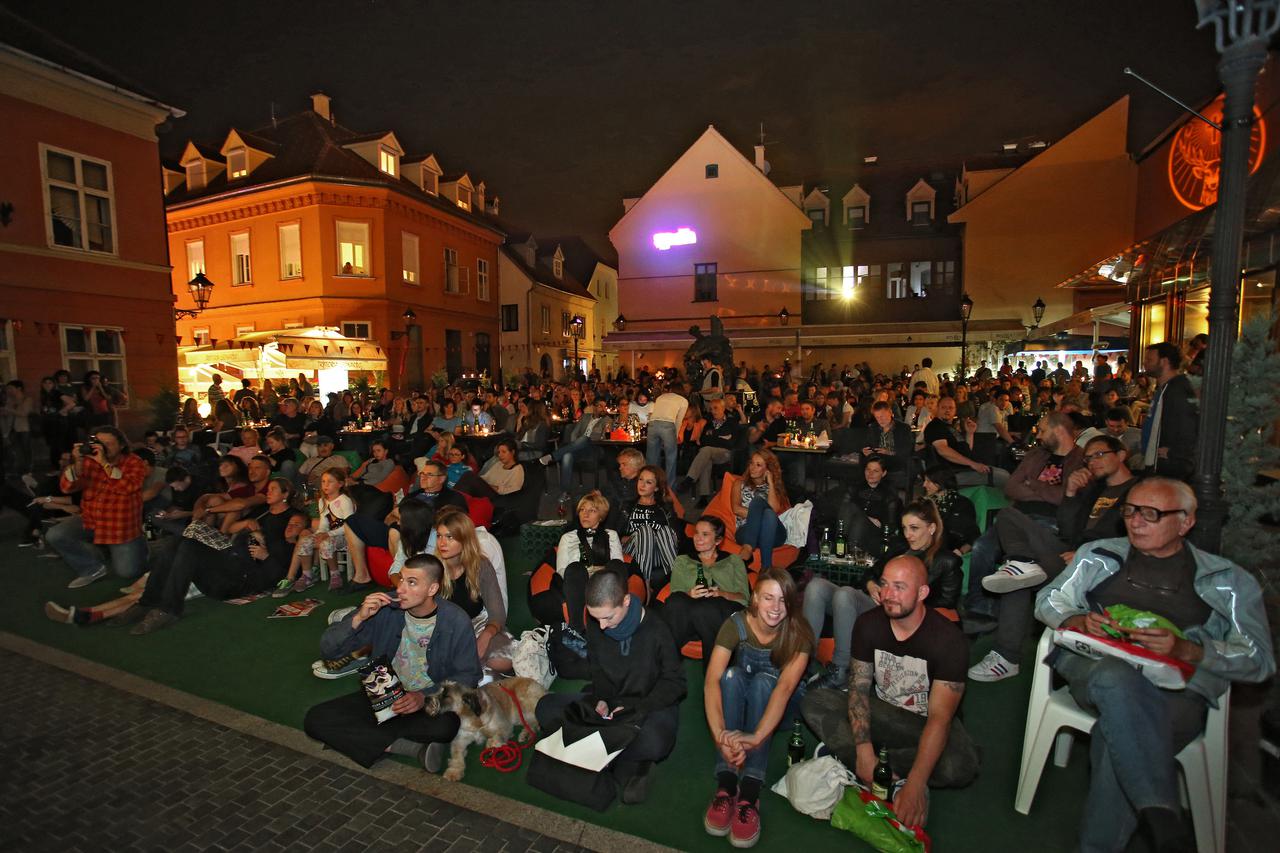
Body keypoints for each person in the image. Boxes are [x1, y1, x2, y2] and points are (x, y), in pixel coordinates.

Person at [1034, 477, 1275, 851]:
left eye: (1151, 514)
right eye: (1130, 511)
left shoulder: (1226, 581)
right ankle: (1164, 820)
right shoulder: (1099, 555)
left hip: (1176, 690)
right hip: (1095, 668)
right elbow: (1049, 600)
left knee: (1113, 733)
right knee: (1116, 677)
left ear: (1185, 522)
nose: (1135, 522)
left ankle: (1149, 824)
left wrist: (1190, 650)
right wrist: (1076, 620)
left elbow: (1258, 660)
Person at [803, 556, 980, 829]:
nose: (887, 595)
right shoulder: (868, 624)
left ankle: (873, 763)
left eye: (899, 587)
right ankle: (874, 762)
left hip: (924, 723)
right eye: (885, 585)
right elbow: (859, 690)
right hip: (883, 714)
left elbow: (940, 719)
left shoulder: (949, 641)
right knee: (814, 702)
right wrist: (863, 750)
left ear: (922, 593)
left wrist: (917, 783)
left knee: (962, 764)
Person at [968, 434, 1138, 682]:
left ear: (1121, 455)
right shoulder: (1093, 491)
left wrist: (1085, 552)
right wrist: (1070, 493)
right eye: (1088, 458)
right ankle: (1020, 561)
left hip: (1099, 563)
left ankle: (1006, 656)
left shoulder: (1139, 491)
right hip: (1067, 551)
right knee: (1008, 517)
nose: (1092, 462)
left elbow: (1132, 538)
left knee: (1018, 579)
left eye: (1099, 454)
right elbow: (1068, 529)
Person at [303, 555, 483, 771]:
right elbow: (329, 650)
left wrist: (423, 696)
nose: (401, 589)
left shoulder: (456, 620)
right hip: (384, 695)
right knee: (315, 719)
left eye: (412, 582)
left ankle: (358, 736)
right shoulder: (384, 608)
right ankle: (407, 748)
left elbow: (468, 677)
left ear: (432, 589)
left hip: (427, 701)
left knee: (446, 726)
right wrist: (359, 618)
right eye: (401, 580)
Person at [535, 567, 687, 804]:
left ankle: (597, 753)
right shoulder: (597, 623)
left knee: (657, 741)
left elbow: (675, 683)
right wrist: (602, 700)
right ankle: (624, 765)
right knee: (544, 707)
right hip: (611, 707)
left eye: (608, 617)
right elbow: (598, 669)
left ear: (625, 601)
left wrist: (641, 708)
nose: (602, 626)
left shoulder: (657, 628)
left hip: (648, 706)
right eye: (596, 618)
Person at [703, 568, 814, 848]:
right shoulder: (736, 624)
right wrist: (720, 736)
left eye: (783, 600)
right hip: (742, 700)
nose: (775, 608)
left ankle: (750, 791)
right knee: (731, 676)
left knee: (765, 682)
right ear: (755, 598)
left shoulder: (800, 634)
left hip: (782, 707)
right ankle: (727, 783)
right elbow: (711, 681)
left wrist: (755, 738)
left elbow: (784, 690)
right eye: (768, 598)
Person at [120, 477, 309, 635]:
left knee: (189, 546)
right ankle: (148, 601)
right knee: (177, 542)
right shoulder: (264, 512)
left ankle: (169, 609)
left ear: (285, 495)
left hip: (241, 579)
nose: (268, 491)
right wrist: (249, 528)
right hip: (230, 561)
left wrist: (265, 555)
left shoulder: (293, 519)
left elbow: (285, 570)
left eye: (274, 489)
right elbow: (232, 528)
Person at [965, 411, 1084, 628]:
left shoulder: (1080, 459)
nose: (1038, 435)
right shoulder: (1036, 455)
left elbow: (1065, 497)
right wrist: (1048, 490)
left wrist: (1033, 484)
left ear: (1058, 430)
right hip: (1017, 516)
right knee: (981, 546)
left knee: (1019, 558)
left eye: (1043, 430)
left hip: (1052, 522)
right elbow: (1011, 487)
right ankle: (979, 609)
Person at [46, 426, 148, 589]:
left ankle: (140, 545)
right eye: (100, 443)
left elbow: (128, 487)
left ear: (121, 445)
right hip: (92, 520)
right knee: (55, 535)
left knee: (127, 572)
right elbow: (67, 487)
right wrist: (78, 461)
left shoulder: (134, 462)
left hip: (121, 529)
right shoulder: (88, 461)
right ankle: (92, 568)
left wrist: (104, 463)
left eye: (109, 443)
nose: (104, 448)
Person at [433, 507, 512, 672]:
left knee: (502, 661)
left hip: (478, 623)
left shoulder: (481, 565)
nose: (442, 543)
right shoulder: (432, 568)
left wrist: (485, 636)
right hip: (443, 631)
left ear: (465, 540)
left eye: (449, 537)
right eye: (439, 536)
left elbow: (497, 613)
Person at [661, 516, 750, 656]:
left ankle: (713, 673)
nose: (697, 538)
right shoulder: (683, 561)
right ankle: (667, 662)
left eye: (705, 534)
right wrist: (689, 594)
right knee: (675, 602)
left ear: (718, 540)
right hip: (690, 616)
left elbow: (744, 598)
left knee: (704, 609)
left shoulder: (734, 561)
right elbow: (675, 592)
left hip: (723, 613)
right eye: (696, 532)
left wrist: (721, 593)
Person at [539, 491, 626, 630]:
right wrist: (587, 574)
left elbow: (618, 564)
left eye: (592, 510)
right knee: (574, 568)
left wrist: (597, 576)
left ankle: (617, 621)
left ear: (601, 516)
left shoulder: (611, 535)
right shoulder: (568, 538)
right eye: (582, 510)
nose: (585, 514)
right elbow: (561, 570)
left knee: (617, 565)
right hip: (579, 583)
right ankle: (577, 628)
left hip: (606, 584)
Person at [1140, 342, 1197, 481]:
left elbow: (1189, 425)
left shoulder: (1178, 389)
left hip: (1170, 468)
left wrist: (1175, 453)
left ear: (1164, 361)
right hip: (1156, 462)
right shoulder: (1165, 388)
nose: (1145, 363)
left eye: (1149, 360)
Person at [924, 396, 1008, 487]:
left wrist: (970, 433)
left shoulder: (950, 427)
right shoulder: (935, 426)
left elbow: (966, 450)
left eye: (950, 408)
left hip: (965, 468)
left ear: (955, 410)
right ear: (937, 409)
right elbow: (943, 450)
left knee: (1005, 474)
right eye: (943, 407)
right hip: (952, 473)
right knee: (1004, 478)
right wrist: (972, 464)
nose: (947, 410)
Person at [622, 464, 682, 592]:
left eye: (648, 482)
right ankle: (646, 584)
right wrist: (633, 537)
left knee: (665, 531)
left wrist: (656, 538)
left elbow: (676, 536)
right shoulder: (626, 506)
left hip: (658, 553)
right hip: (633, 551)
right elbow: (614, 534)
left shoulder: (664, 508)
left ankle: (676, 579)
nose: (642, 485)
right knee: (645, 531)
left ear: (656, 488)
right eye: (641, 480)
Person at [731, 450, 789, 569]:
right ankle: (766, 567)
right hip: (745, 531)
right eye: (751, 463)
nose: (752, 468)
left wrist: (771, 483)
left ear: (767, 469)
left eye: (758, 465)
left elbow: (774, 509)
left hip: (774, 534)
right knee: (765, 511)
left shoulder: (773, 487)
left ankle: (748, 547)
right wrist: (758, 517)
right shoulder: (739, 483)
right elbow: (736, 509)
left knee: (766, 510)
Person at [540, 399, 610, 498]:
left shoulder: (607, 420)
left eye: (604, 406)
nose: (603, 409)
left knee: (585, 438)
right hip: (579, 447)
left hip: (595, 448)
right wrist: (574, 446)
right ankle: (565, 492)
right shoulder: (585, 417)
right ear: (594, 407)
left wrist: (584, 440)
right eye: (600, 406)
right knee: (567, 455)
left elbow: (602, 436)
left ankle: (552, 456)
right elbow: (574, 433)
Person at [677, 398, 742, 503]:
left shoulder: (731, 422)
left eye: (716, 408)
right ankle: (703, 496)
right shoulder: (708, 423)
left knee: (706, 451)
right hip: (709, 453)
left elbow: (730, 443)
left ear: (723, 408)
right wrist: (720, 437)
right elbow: (703, 441)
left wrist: (713, 436)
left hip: (725, 453)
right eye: (711, 409)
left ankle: (689, 480)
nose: (713, 411)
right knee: (706, 457)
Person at [837, 457, 902, 554]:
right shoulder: (854, 488)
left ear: (883, 473)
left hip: (873, 532)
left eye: (875, 471)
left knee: (856, 516)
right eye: (868, 469)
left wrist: (867, 519)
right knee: (850, 510)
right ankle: (846, 547)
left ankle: (841, 546)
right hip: (850, 527)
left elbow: (891, 525)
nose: (870, 474)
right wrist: (867, 517)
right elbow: (842, 513)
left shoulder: (889, 495)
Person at [861, 401, 913, 493]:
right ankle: (869, 494)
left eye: (883, 416)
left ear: (890, 413)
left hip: (895, 460)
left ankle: (879, 493)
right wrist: (864, 450)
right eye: (877, 417)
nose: (881, 420)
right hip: (877, 460)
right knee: (866, 463)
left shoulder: (903, 428)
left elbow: (907, 449)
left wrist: (889, 452)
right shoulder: (873, 427)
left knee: (874, 467)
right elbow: (866, 444)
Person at [1, 379, 33, 475]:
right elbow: (6, 414)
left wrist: (8, 410)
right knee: (14, 450)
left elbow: (24, 413)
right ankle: (17, 469)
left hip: (24, 428)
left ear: (19, 388)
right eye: (7, 389)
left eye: (11, 388)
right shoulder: (10, 400)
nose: (8, 390)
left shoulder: (27, 399)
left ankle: (29, 469)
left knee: (26, 450)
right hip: (12, 429)